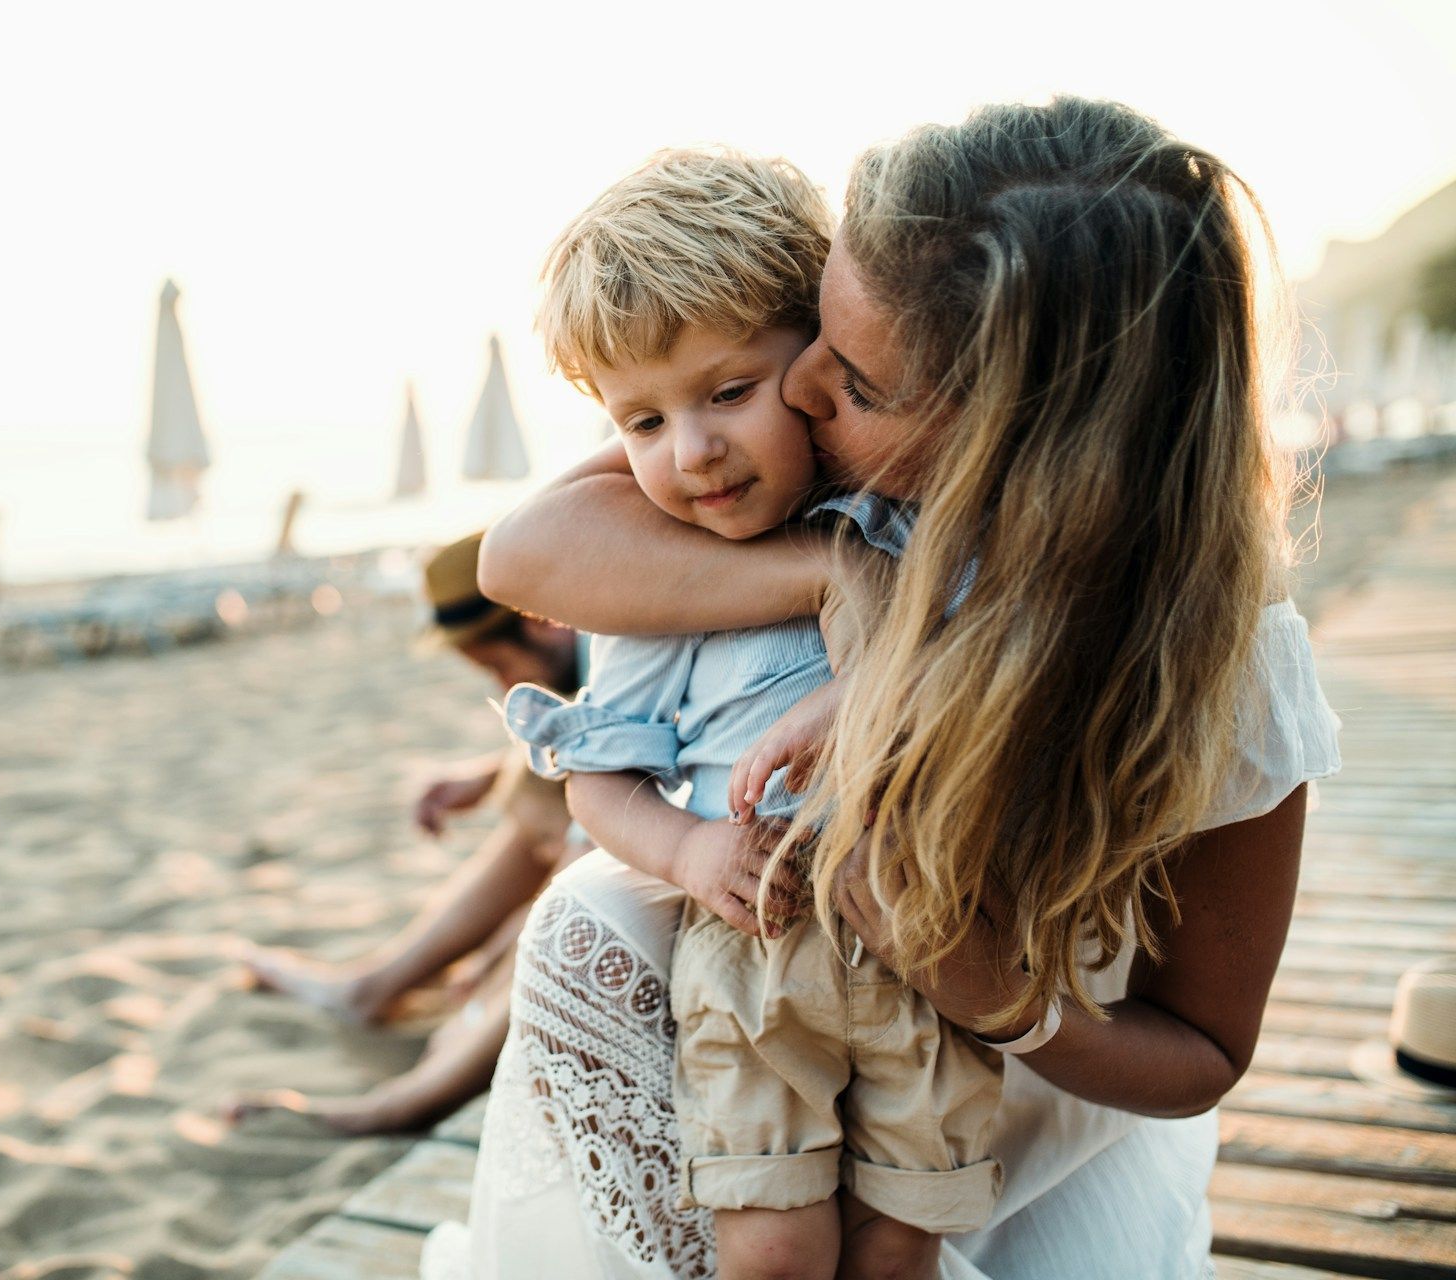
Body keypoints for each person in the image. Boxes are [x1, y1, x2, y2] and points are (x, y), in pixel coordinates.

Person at [437, 98, 1342, 1280]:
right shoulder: (795, 499)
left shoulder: (1226, 662)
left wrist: (998, 994)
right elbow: (521, 554)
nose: (797, 390)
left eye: (855, 381)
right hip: (779, 1032)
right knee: (587, 920)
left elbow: (1206, 1046)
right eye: (812, 329)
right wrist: (841, 576)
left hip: (1031, 1099)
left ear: (1013, 440)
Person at [494, 149, 1001, 1279]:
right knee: (769, 1249)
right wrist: (690, 846)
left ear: (817, 358)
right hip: (756, 951)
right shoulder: (664, 588)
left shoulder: (912, 512)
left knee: (899, 1246)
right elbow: (597, 775)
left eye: (728, 392)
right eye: (641, 422)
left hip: (933, 939)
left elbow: (1002, 659)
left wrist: (873, 691)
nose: (692, 450)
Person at [229, 531, 589, 1134]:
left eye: (499, 665)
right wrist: (483, 775)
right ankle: (375, 987)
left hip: (649, 855)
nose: (503, 689)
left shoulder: (618, 644)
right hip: (604, 833)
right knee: (526, 783)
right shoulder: (583, 649)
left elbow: (590, 840)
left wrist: (498, 958)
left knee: (538, 797)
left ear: (544, 623)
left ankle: (412, 1089)